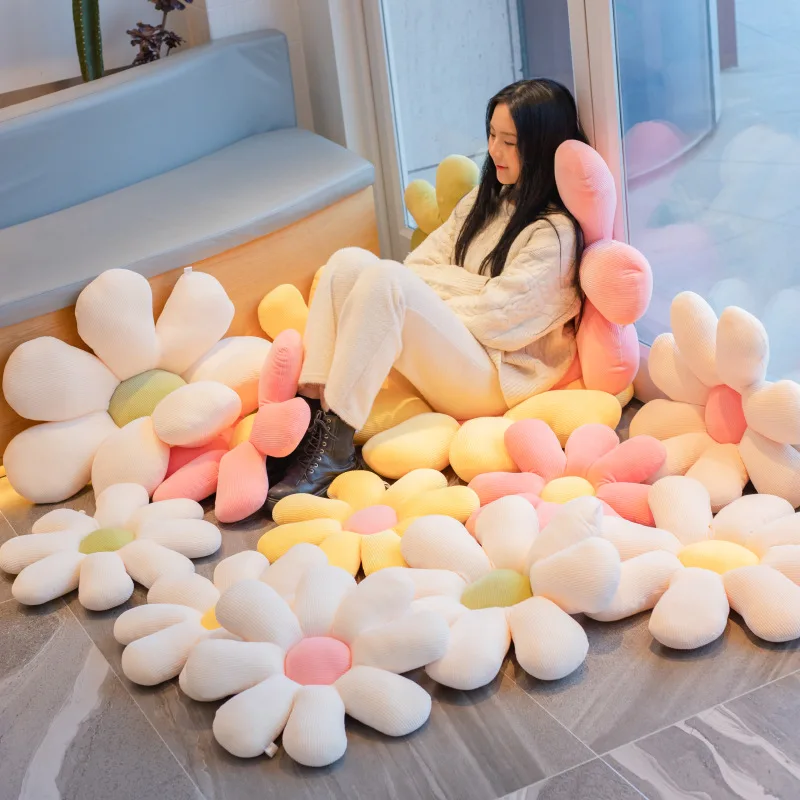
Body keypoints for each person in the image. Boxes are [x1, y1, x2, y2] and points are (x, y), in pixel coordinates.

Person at [267, 78, 589, 508]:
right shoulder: (485, 199)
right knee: (347, 263)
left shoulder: (555, 233)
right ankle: (310, 417)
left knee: (387, 282)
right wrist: (471, 287)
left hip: (497, 376)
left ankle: (335, 450)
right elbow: (418, 267)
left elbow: (498, 318)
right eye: (492, 135)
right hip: (459, 350)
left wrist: (439, 293)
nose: (495, 151)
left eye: (510, 141)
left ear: (543, 145)